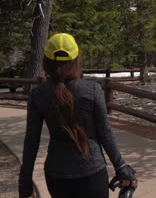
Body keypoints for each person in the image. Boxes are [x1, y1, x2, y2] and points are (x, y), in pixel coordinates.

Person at [18, 33, 137, 198]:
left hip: (56, 174)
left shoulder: (38, 94)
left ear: (46, 62)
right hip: (92, 172)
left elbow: (31, 141)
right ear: (77, 60)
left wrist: (25, 184)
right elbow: (105, 134)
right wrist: (121, 167)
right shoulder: (93, 90)